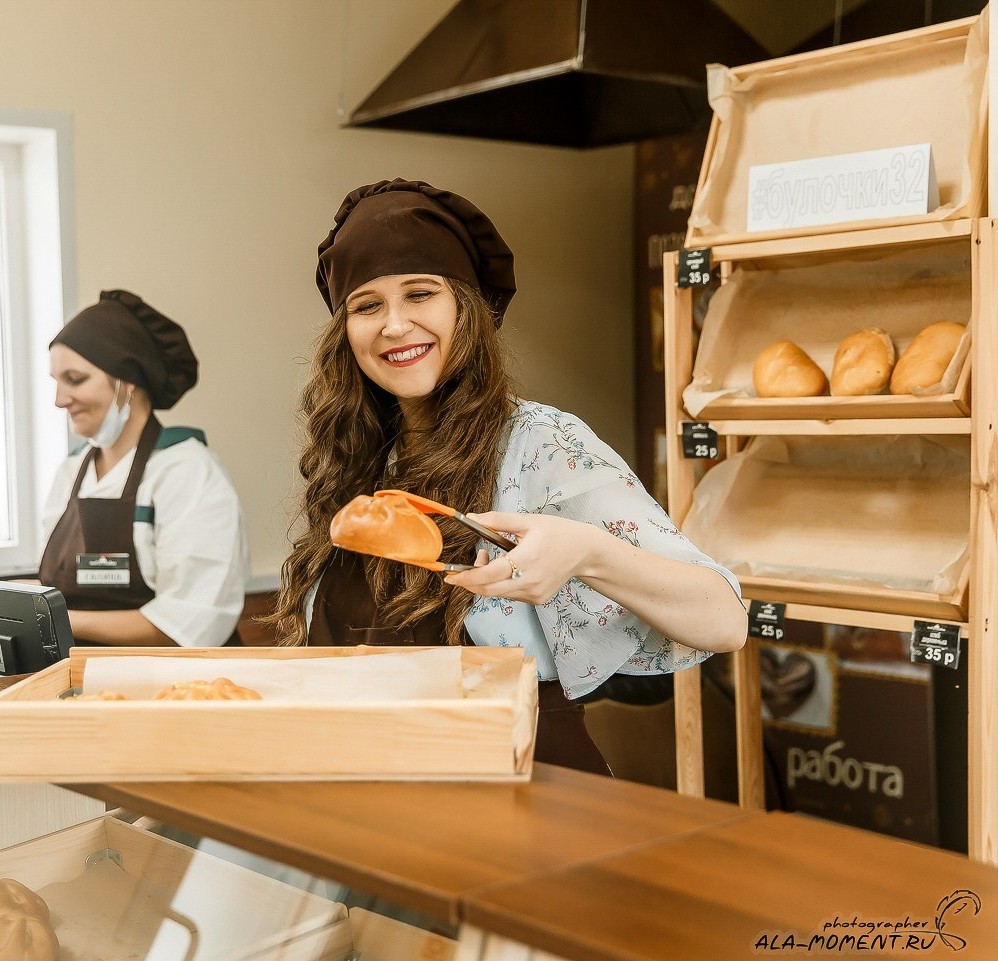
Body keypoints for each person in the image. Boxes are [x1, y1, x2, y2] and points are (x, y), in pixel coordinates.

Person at [269, 179, 747, 773]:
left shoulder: (541, 444)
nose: (394, 324)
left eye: (420, 294)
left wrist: (588, 553)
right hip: (371, 783)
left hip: (519, 784)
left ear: (465, 307)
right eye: (367, 305)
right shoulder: (355, 458)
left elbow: (725, 619)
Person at [40, 289, 249, 647]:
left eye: (74, 380)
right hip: (81, 673)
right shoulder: (72, 470)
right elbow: (57, 588)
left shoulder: (185, 469)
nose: (59, 400)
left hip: (175, 683)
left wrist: (59, 619)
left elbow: (189, 622)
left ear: (127, 380)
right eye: (56, 382)